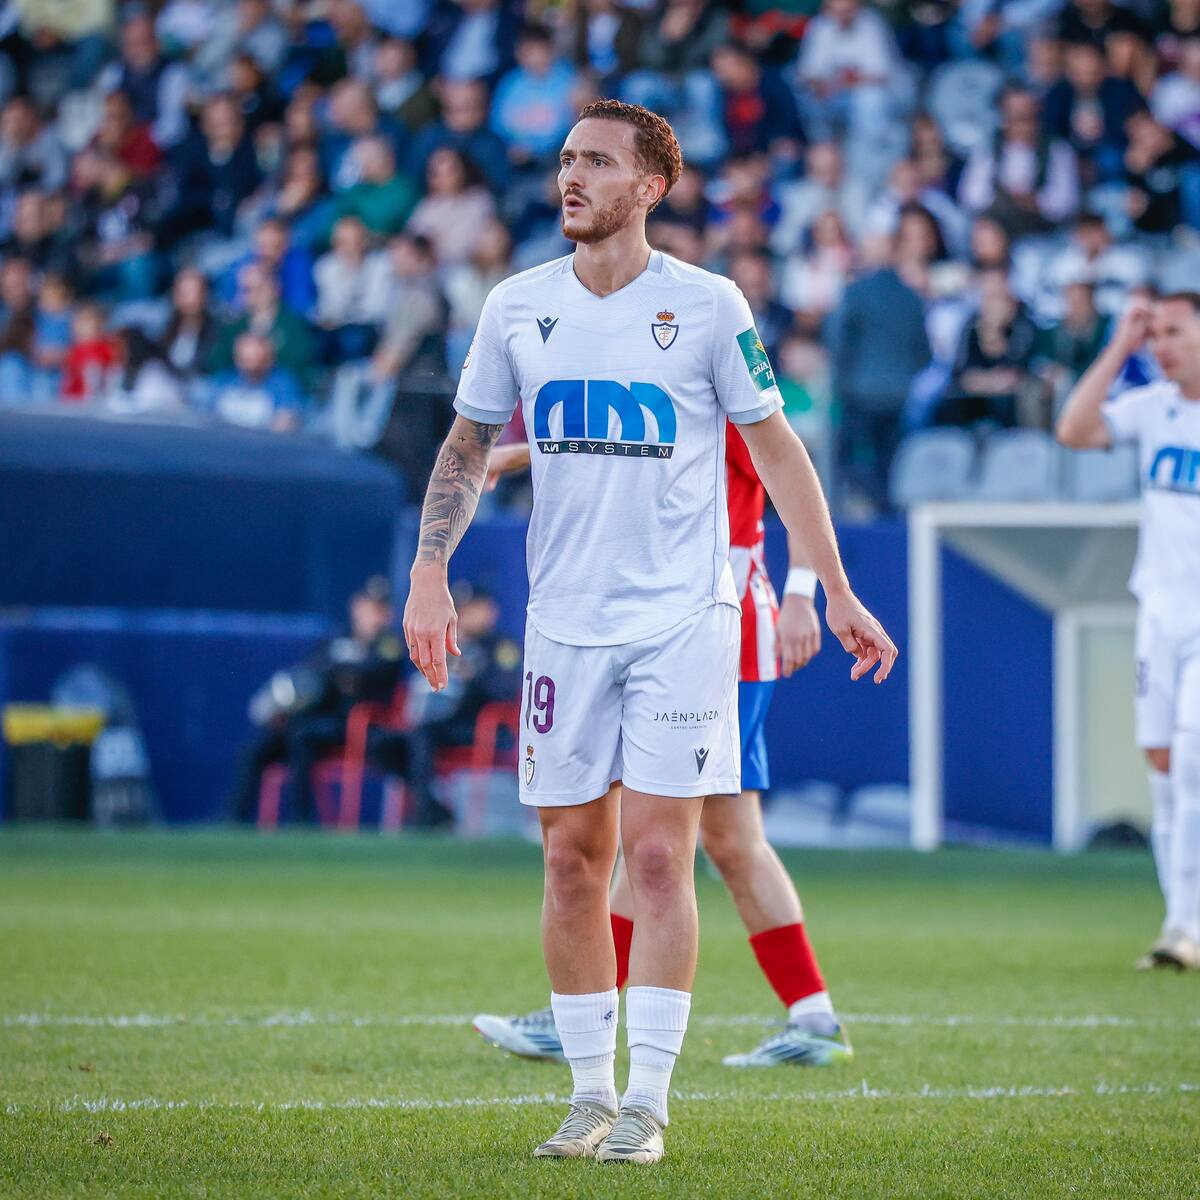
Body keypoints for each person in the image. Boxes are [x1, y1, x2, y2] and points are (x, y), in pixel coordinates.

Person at [402, 99, 896, 1165]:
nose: (571, 178)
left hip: (684, 620)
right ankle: (588, 1094)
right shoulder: (516, 305)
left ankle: (648, 1104)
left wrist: (831, 588)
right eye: (565, 160)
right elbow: (467, 446)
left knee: (666, 856)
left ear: (651, 186)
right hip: (564, 624)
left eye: (596, 161)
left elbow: (780, 452)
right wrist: (428, 571)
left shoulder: (709, 305)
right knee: (571, 862)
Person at [471, 421, 852, 1069]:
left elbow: (792, 473)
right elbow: (630, 442)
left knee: (664, 834)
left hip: (720, 635)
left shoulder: (718, 383)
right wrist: (520, 454)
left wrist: (801, 594)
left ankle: (584, 1014)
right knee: (719, 839)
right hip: (677, 634)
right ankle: (813, 1019)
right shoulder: (664, 382)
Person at [1056, 293, 1200, 972]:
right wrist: (1120, 346)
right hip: (1161, 615)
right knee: (1165, 769)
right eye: (1156, 334)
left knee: (1192, 762)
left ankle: (1184, 927)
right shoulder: (1155, 408)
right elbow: (1074, 429)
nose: (1162, 345)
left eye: (1175, 332)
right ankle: (1181, 922)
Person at [233, 577, 405, 823]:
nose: (375, 615)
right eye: (371, 607)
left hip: (358, 726)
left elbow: (372, 671)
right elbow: (312, 671)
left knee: (302, 737)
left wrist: (340, 668)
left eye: (381, 609)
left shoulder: (389, 645)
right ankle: (234, 817)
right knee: (256, 750)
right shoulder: (337, 639)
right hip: (321, 720)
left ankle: (300, 819)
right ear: (357, 606)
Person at [391, 583, 522, 828]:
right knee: (388, 744)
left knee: (423, 736)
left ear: (488, 611)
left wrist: (472, 677)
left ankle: (427, 813)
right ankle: (432, 808)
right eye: (461, 609)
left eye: (472, 609)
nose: (464, 616)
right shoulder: (452, 643)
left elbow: (503, 690)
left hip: (485, 727)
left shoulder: (501, 647)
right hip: (448, 722)